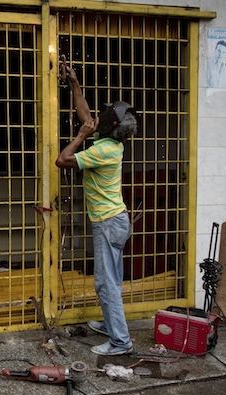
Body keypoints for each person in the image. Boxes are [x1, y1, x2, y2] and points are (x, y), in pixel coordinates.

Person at [55, 58, 138, 356]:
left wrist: (79, 137)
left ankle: (120, 341)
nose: (98, 116)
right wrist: (75, 83)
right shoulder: (113, 142)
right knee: (112, 280)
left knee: (105, 284)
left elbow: (62, 160)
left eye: (105, 114)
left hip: (107, 222)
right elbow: (86, 114)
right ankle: (110, 324)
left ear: (109, 125)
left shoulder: (101, 150)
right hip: (116, 220)